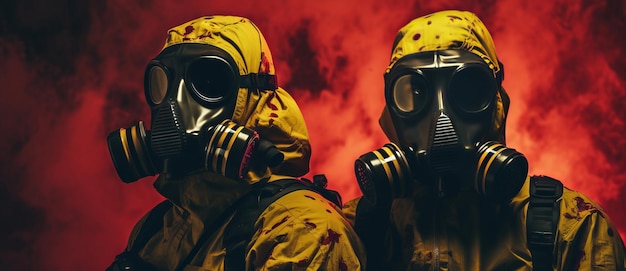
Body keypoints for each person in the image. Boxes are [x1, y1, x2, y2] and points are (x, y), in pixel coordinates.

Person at [343, 10, 626, 271]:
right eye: (416, 92)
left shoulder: (572, 228)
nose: (441, 116)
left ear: (496, 100)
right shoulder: (355, 228)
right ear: (391, 110)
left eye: (465, 89)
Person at [105, 15, 365, 270]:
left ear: (255, 99)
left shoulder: (301, 231)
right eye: (164, 82)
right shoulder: (153, 229)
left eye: (207, 83)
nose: (177, 102)